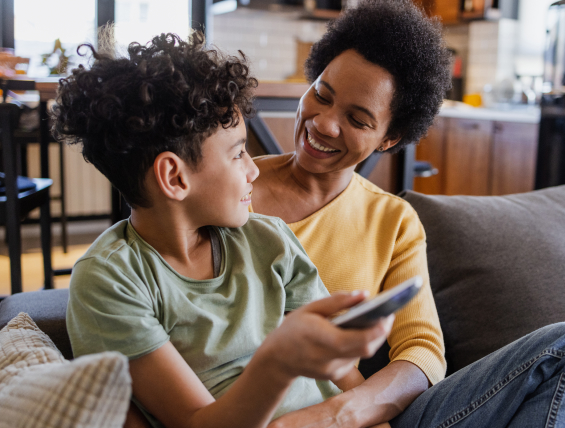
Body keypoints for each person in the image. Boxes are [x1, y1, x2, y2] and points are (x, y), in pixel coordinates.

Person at [250, 1, 565, 427]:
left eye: (358, 119)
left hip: (356, 413)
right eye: (321, 95)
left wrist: (343, 413)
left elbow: (422, 351)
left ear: (391, 138)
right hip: (249, 404)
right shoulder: (226, 185)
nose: (324, 124)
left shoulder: (392, 221)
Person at [55, 32, 394, 428]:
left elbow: (345, 378)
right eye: (237, 153)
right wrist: (279, 358)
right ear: (174, 178)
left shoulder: (271, 240)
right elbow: (197, 422)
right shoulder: (112, 280)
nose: (254, 169)